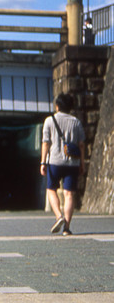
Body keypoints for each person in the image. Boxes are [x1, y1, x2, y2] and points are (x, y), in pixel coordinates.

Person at [40, 92, 85, 235]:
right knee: (69, 194)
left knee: (51, 189)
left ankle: (59, 216)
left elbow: (46, 143)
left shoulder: (49, 120)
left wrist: (43, 162)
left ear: (57, 106)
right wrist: (82, 164)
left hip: (55, 162)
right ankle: (67, 228)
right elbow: (82, 145)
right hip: (72, 163)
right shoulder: (76, 122)